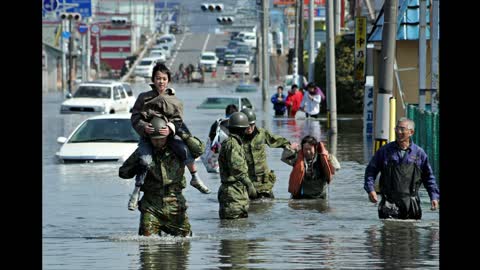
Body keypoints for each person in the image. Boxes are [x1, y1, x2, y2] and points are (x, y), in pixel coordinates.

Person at [129, 63, 210, 211]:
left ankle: (195, 177)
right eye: (158, 78)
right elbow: (135, 117)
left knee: (185, 150)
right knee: (145, 160)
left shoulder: (174, 100)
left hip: (169, 136)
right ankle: (136, 191)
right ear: (153, 80)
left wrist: (170, 129)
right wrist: (143, 127)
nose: (161, 81)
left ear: (168, 80)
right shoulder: (143, 98)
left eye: (164, 78)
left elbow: (178, 119)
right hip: (149, 136)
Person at [119, 116, 192, 237]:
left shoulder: (178, 150)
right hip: (151, 206)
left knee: (183, 247)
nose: (158, 142)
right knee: (147, 248)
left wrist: (179, 131)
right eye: (155, 140)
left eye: (161, 139)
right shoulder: (143, 153)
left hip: (176, 206)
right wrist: (138, 165)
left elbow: (199, 149)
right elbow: (123, 173)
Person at [364, 117, 440, 220]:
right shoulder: (385, 151)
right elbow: (370, 171)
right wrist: (371, 190)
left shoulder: (419, 153)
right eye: (397, 128)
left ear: (411, 132)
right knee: (388, 231)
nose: (398, 132)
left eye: (402, 129)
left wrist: (434, 197)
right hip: (389, 204)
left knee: (411, 233)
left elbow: (428, 178)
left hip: (412, 205)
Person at [240, 108, 299, 199]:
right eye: (247, 125)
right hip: (247, 182)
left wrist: (290, 146)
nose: (249, 128)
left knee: (267, 206)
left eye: (252, 125)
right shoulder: (238, 139)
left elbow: (275, 140)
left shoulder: (261, 134)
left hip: (263, 182)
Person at [218, 112, 257, 219]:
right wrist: (249, 184)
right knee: (235, 229)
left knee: (238, 230)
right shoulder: (233, 144)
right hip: (233, 193)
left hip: (235, 192)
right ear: (242, 129)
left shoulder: (232, 142)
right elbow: (237, 168)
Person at [201, 104, 238, 173]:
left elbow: (210, 140)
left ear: (226, 113)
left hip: (214, 160)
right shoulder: (237, 124)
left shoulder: (217, 123)